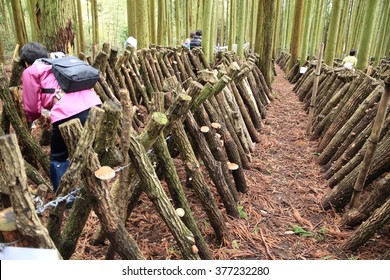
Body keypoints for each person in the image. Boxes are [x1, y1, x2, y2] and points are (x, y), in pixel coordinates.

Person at [19, 42, 102, 206]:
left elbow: (31, 106)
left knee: (58, 157)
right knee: (86, 150)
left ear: (26, 62)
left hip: (68, 112)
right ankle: (97, 191)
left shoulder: (32, 70)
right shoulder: (58, 63)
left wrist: (33, 118)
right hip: (94, 106)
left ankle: (66, 200)